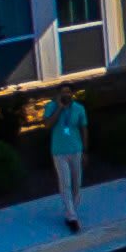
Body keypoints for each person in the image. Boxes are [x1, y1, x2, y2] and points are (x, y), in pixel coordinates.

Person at [48, 92, 89, 229]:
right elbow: (47, 125)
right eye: (63, 91)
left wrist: (84, 150)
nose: (65, 93)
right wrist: (59, 108)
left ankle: (71, 210)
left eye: (68, 91)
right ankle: (71, 216)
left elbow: (83, 129)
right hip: (59, 152)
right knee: (65, 183)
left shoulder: (78, 108)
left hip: (75, 150)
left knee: (77, 182)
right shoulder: (51, 106)